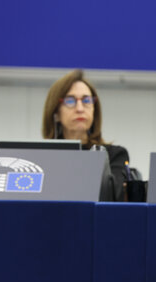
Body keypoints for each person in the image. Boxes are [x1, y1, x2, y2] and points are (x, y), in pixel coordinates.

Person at [42, 69, 131, 201]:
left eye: (86, 100)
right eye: (70, 101)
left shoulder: (114, 156)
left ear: (94, 109)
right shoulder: (42, 156)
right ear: (55, 113)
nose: (80, 108)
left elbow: (112, 199)